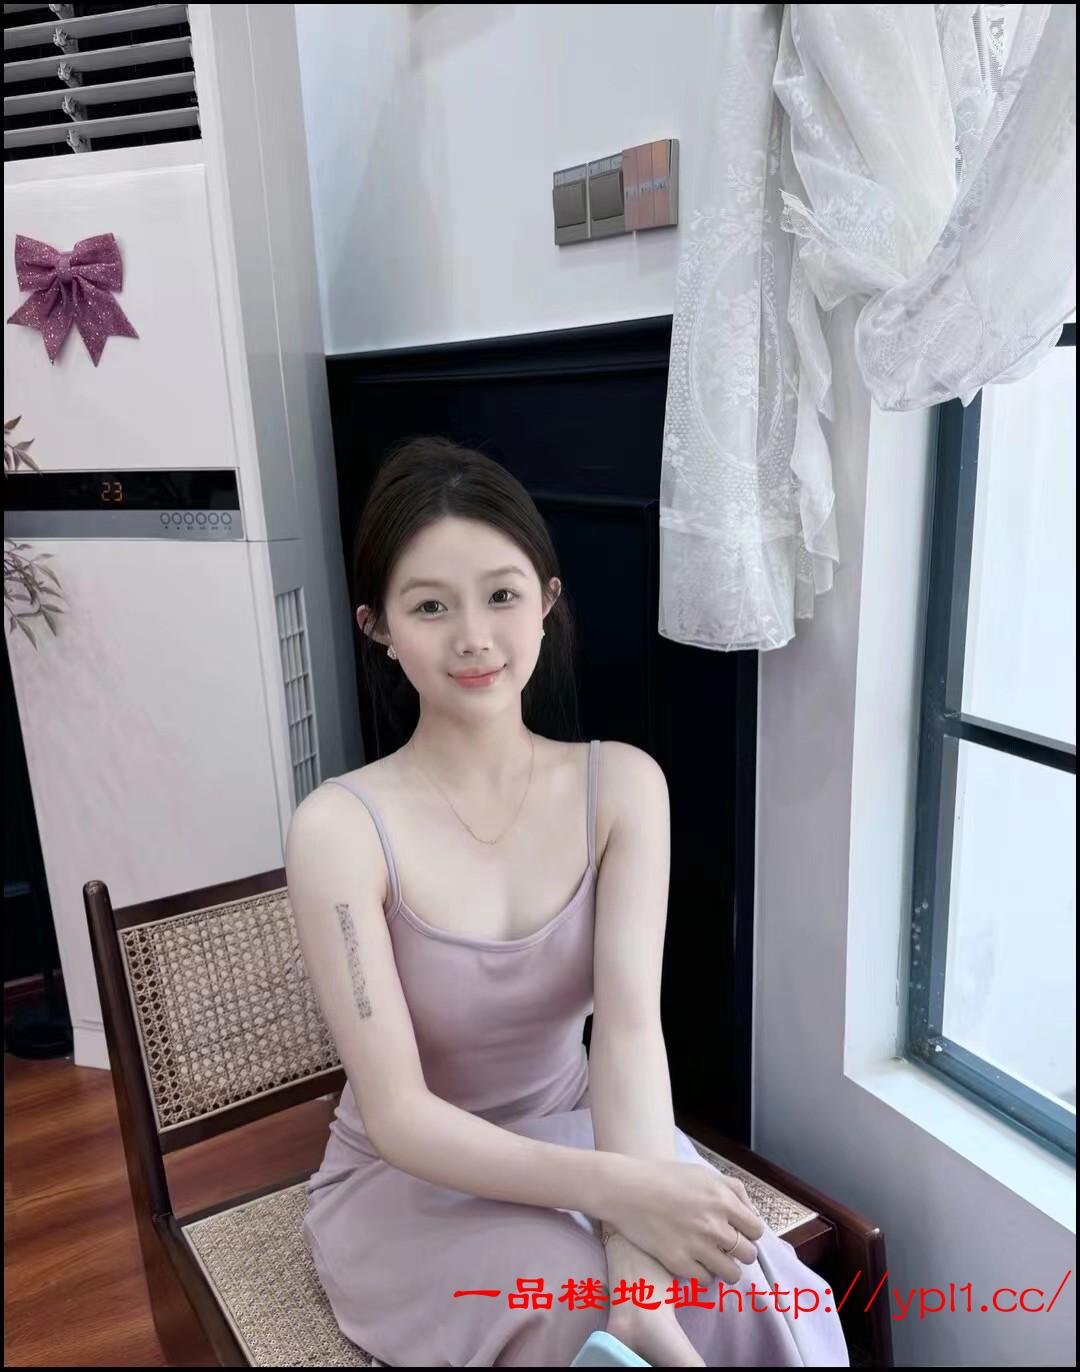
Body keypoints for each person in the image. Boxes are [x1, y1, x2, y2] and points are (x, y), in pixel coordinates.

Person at [286, 436, 849, 1367]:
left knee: (747, 1286)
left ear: (547, 601)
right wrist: (622, 1195)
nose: (474, 637)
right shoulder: (338, 830)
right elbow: (398, 1115)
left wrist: (639, 1270)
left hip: (588, 1132)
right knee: (568, 1305)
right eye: (430, 606)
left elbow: (627, 1036)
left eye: (502, 595)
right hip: (412, 1181)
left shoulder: (622, 787)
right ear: (377, 626)